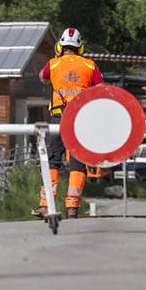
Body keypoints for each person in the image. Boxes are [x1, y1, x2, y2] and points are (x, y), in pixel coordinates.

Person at [35, 26, 102, 219]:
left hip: (58, 119)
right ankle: (72, 208)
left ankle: (46, 204)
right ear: (80, 47)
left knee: (53, 160)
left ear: (60, 45)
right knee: (78, 163)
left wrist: (57, 57)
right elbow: (100, 89)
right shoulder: (90, 65)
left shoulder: (53, 64)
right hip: (81, 119)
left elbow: (42, 78)